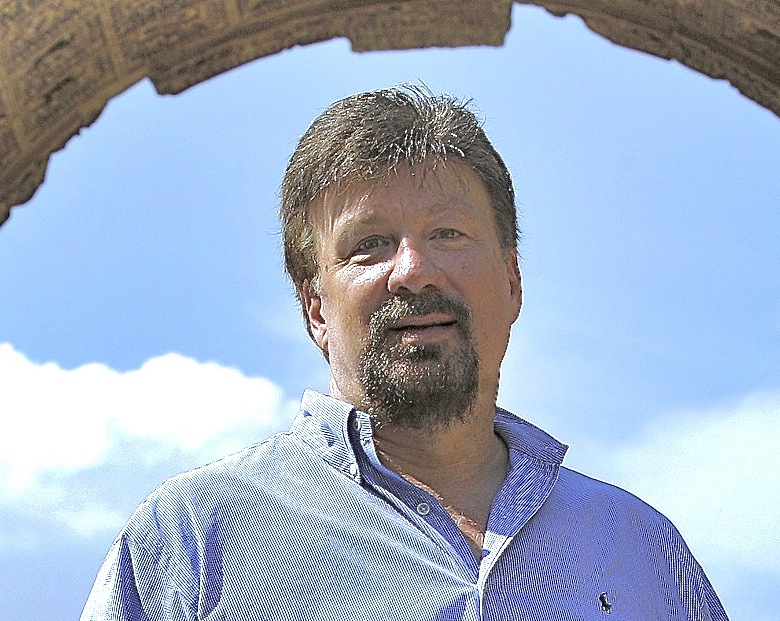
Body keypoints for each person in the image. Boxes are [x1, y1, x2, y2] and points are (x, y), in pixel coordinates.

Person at [81, 86, 729, 620]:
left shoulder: (643, 549)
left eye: (448, 232)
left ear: (512, 281)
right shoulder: (192, 538)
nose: (413, 270)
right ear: (315, 307)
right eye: (369, 244)